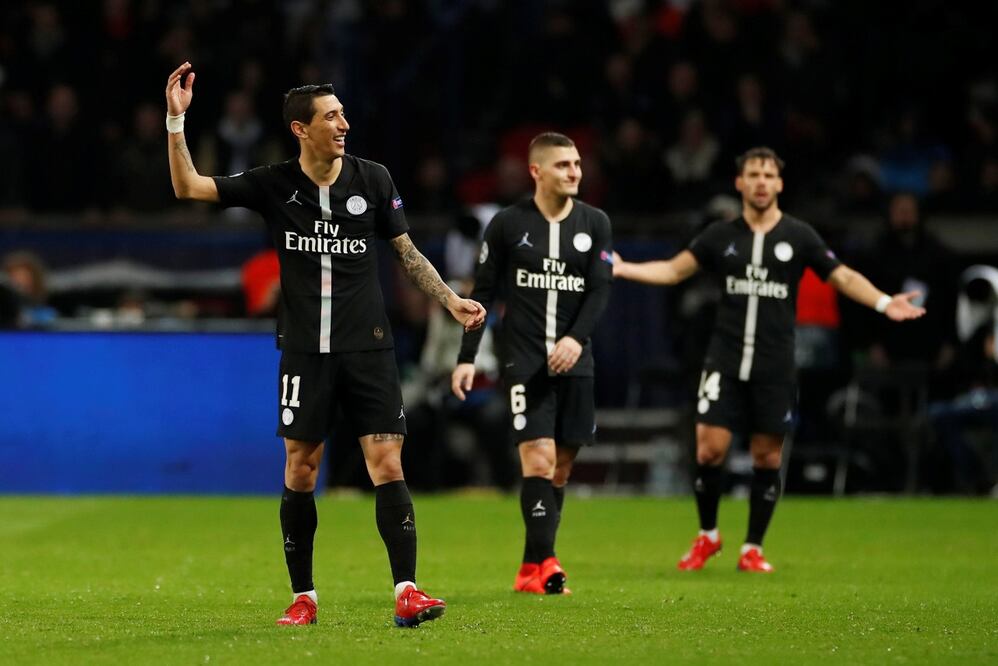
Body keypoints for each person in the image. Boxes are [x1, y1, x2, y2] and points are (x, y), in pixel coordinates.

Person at [165, 62, 485, 627]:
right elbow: (188, 186)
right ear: (300, 129)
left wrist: (449, 301)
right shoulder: (273, 183)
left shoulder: (374, 178)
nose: (343, 125)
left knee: (386, 461)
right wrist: (176, 120)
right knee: (301, 471)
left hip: (369, 346)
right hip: (305, 350)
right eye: (331, 117)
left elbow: (406, 253)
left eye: (342, 115)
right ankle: (304, 598)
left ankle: (407, 592)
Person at [613, 147, 925, 573]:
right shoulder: (720, 237)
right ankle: (708, 535)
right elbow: (672, 271)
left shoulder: (799, 237)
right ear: (740, 183)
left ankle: (753, 548)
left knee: (766, 456)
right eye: (753, 174)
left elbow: (843, 276)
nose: (761, 181)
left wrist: (885, 302)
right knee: (709, 450)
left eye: (768, 175)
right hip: (723, 358)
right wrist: (624, 268)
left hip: (774, 363)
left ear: (779, 184)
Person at [452, 132, 613, 594]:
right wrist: (468, 358)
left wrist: (576, 340)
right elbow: (482, 295)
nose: (575, 172)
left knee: (560, 467)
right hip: (524, 359)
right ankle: (549, 563)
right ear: (536, 171)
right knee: (538, 459)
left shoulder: (595, 223)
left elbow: (600, 289)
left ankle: (528, 568)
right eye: (564, 165)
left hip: (576, 360)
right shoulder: (506, 224)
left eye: (578, 164)